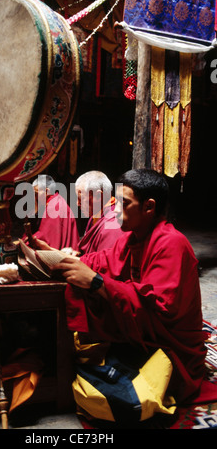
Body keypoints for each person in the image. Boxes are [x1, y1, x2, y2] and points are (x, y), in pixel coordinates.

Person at [52, 168, 206, 405]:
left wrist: (96, 282)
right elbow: (105, 260)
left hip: (173, 350)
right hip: (144, 337)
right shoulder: (133, 236)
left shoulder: (172, 244)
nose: (114, 211)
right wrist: (66, 259)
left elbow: (159, 310)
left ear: (149, 207)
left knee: (102, 389)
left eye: (124, 203)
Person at [23, 174, 80, 251]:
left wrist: (26, 241)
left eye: (36, 194)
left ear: (47, 191)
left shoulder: (54, 206)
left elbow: (47, 239)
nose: (35, 197)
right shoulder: (56, 200)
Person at [75, 171, 123, 255]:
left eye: (81, 198)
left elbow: (105, 263)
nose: (77, 203)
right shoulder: (95, 215)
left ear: (98, 196)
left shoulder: (113, 222)